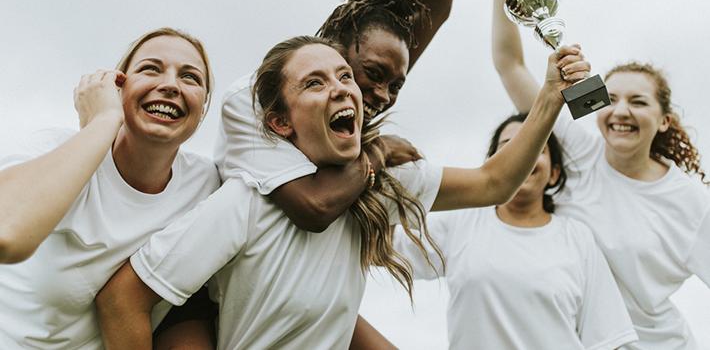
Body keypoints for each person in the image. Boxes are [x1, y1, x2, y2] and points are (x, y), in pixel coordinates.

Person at [96, 34, 588, 349]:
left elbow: (494, 181)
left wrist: (549, 97)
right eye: (314, 82)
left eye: (344, 77)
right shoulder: (248, 202)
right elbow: (122, 299)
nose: (341, 89)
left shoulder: (385, 187)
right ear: (280, 122)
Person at [215, 0, 461, 233]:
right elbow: (315, 206)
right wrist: (379, 150)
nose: (382, 95)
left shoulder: (360, 95)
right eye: (372, 75)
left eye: (396, 85)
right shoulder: (250, 99)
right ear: (332, 48)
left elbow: (433, 10)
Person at [487, 0, 710, 349]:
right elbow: (509, 65)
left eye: (639, 102)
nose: (622, 111)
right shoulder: (577, 149)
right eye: (614, 98)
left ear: (663, 122)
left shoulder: (690, 203)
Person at [0, 28, 220, 349]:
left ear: (202, 109)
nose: (171, 85)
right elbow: (7, 233)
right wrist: (104, 120)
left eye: (190, 78)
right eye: (151, 69)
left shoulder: (206, 186)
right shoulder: (51, 148)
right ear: (118, 86)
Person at [392, 113, 637, 349]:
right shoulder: (460, 222)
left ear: (554, 173)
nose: (523, 156)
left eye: (537, 148)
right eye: (509, 147)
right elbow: (378, 244)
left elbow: (607, 339)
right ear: (492, 164)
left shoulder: (577, 237)